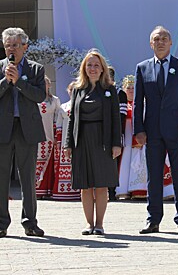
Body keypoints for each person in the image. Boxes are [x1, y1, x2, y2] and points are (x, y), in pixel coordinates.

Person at [0, 27, 46, 239]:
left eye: (16, 45)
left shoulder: (36, 69)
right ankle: (1, 223)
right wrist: (6, 81)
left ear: (25, 47)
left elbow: (39, 96)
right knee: (0, 178)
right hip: (2, 129)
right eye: (8, 45)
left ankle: (30, 223)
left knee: (27, 178)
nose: (12, 49)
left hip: (26, 129)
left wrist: (19, 81)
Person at [133, 25, 178, 235]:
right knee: (154, 177)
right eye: (156, 39)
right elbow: (138, 102)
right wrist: (139, 130)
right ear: (151, 44)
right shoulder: (142, 68)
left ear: (171, 42)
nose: (160, 42)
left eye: (164, 39)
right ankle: (153, 220)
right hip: (152, 132)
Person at [64, 49, 122, 236]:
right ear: (84, 68)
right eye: (89, 65)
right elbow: (72, 119)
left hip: (102, 140)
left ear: (102, 68)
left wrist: (116, 143)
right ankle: (89, 224)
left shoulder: (110, 90)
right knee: (85, 184)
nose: (93, 68)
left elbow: (116, 119)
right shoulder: (78, 90)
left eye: (96, 65)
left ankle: (99, 224)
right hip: (81, 140)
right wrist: (68, 144)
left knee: (102, 184)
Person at [52, 82, 80, 200]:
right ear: (68, 91)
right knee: (65, 162)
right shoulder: (63, 107)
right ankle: (63, 190)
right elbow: (58, 125)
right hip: (65, 139)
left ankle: (78, 189)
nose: (72, 92)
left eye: (75, 90)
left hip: (78, 138)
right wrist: (58, 141)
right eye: (71, 90)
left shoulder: (81, 105)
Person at [35, 76, 61, 198]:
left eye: (45, 83)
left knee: (48, 163)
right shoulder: (34, 99)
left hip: (50, 136)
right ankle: (35, 189)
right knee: (35, 162)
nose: (43, 85)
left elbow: (57, 118)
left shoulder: (55, 100)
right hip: (36, 137)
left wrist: (56, 135)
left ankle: (46, 190)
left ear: (49, 85)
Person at [107, 66, 127, 201]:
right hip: (100, 133)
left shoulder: (120, 93)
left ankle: (112, 190)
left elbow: (122, 116)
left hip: (114, 132)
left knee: (114, 162)